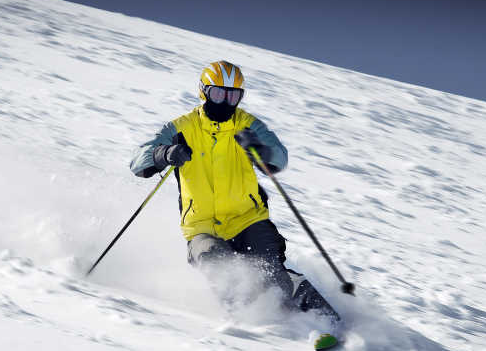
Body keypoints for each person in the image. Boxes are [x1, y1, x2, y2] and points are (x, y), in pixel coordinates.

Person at [130, 60, 338, 322]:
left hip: (248, 218)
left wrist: (260, 149)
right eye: (218, 93)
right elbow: (137, 162)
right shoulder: (182, 128)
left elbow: (280, 158)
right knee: (217, 266)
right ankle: (251, 323)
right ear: (204, 91)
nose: (225, 102)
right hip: (202, 226)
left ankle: (317, 318)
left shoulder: (248, 125)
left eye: (233, 95)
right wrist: (164, 153)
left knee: (271, 273)